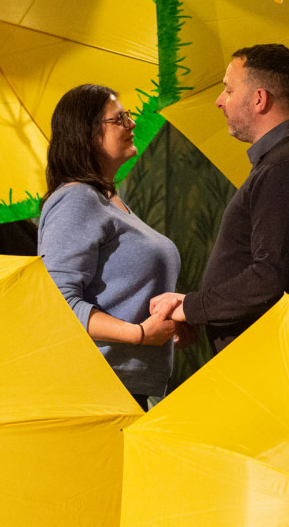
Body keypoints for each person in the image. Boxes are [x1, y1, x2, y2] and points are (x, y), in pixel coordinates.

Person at [151, 44, 289, 353]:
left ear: (259, 99)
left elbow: (269, 277)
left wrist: (191, 307)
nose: (219, 101)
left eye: (228, 90)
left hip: (272, 356)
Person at [38, 84, 182, 409]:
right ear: (87, 134)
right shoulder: (76, 200)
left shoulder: (107, 200)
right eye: (119, 119)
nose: (131, 124)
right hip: (92, 393)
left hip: (120, 393)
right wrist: (140, 334)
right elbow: (58, 303)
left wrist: (169, 325)